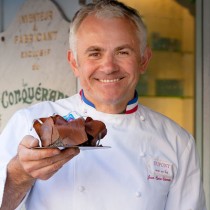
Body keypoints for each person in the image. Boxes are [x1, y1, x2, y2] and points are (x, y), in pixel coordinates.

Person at [0, 0, 206, 209]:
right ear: (74, 63)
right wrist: (19, 175)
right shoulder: (31, 124)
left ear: (144, 60)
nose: (108, 67)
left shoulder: (177, 142)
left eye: (123, 52)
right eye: (95, 53)